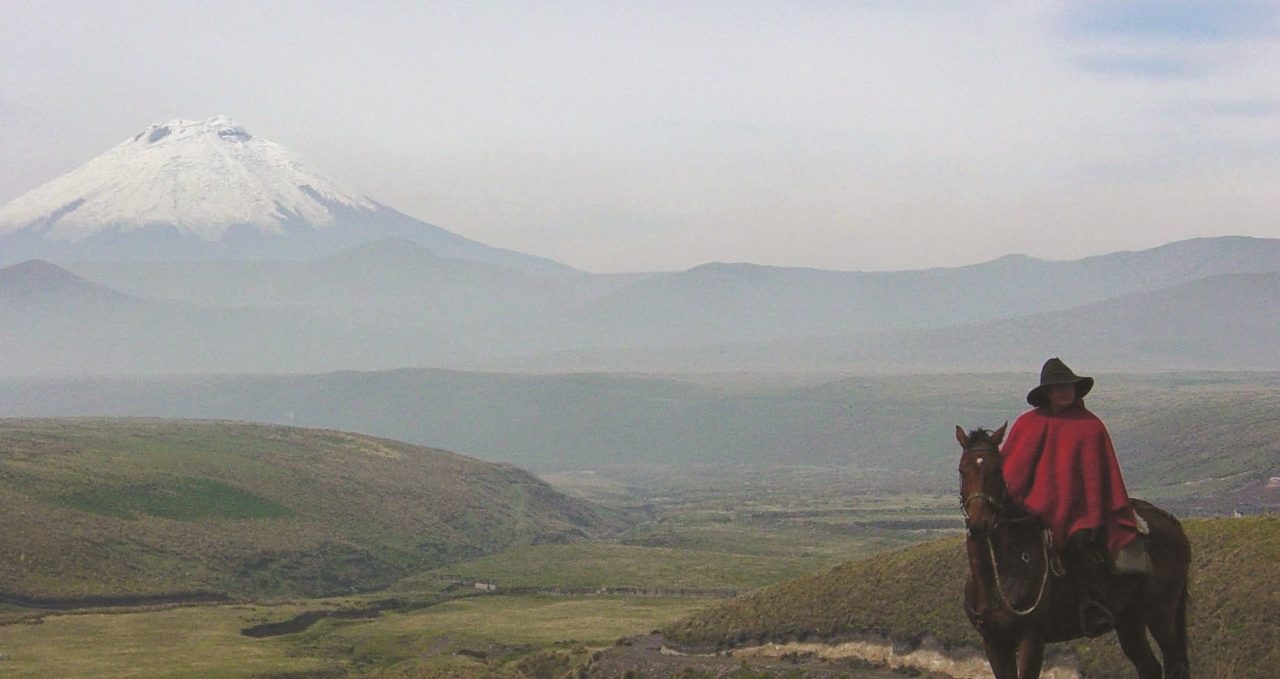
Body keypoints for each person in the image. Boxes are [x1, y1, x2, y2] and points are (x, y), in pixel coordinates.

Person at [999, 357, 1145, 637]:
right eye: (1058, 388)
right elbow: (1011, 470)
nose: (1065, 392)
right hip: (1033, 509)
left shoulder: (1090, 426)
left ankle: (1092, 606)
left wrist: (1088, 509)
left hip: (1081, 510)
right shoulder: (1028, 424)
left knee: (1081, 545)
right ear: (1048, 393)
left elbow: (1098, 476)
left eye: (1069, 387)